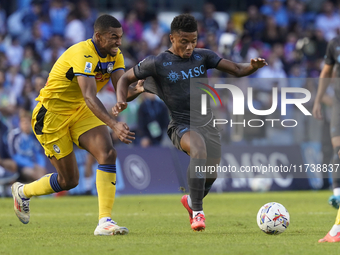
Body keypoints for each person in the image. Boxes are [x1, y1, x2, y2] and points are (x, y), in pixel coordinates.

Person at [112, 14, 267, 231]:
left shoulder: (203, 56)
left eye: (193, 41)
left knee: (211, 173)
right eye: (184, 41)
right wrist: (121, 100)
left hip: (208, 124)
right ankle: (198, 213)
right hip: (180, 125)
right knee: (198, 149)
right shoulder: (157, 63)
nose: (189, 46)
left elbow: (237, 69)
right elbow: (124, 80)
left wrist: (253, 66)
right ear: (172, 38)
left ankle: (191, 201)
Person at [11, 14, 144, 236]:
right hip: (52, 116)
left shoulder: (115, 55)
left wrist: (136, 91)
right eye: (113, 37)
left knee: (107, 153)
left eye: (120, 37)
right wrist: (114, 124)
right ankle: (23, 191)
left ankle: (105, 221)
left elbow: (121, 90)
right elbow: (91, 96)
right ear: (98, 36)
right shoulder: (82, 54)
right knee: (69, 180)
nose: (119, 42)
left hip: (80, 110)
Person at [313, 35, 340, 242]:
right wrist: (319, 99)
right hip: (338, 105)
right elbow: (326, 72)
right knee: (338, 150)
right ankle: (338, 194)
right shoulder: (334, 43)